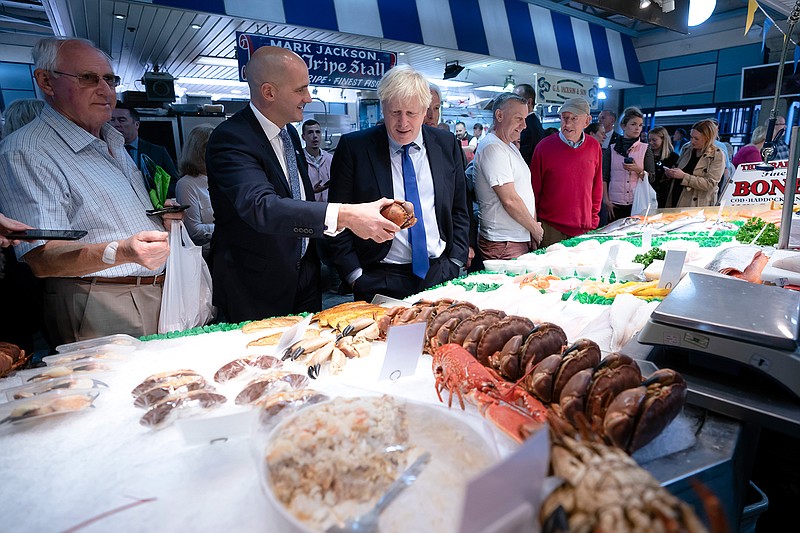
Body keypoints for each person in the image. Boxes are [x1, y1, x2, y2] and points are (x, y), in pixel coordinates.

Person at [0, 37, 182, 345]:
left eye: (110, 80)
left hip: (158, 290)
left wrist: (161, 216)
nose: (105, 90)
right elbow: (42, 257)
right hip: (102, 302)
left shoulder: (111, 140)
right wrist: (121, 251)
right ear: (46, 81)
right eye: (88, 78)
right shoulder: (28, 150)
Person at [205, 46, 397, 322]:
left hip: (305, 275)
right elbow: (262, 206)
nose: (308, 98)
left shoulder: (290, 135)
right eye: (300, 90)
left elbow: (299, 198)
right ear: (269, 92)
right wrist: (346, 215)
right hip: (256, 287)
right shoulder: (231, 138)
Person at [327, 64, 470, 303]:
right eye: (395, 112)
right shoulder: (355, 149)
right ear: (383, 107)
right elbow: (337, 215)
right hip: (379, 276)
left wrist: (455, 260)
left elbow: (459, 208)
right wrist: (355, 275)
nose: (402, 123)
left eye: (411, 113)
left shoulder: (446, 145)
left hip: (440, 274)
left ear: (426, 111)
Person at [474, 93, 543, 259]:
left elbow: (524, 191)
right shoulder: (492, 147)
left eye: (525, 118)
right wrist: (535, 229)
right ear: (499, 115)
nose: (524, 125)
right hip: (503, 243)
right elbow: (510, 200)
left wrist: (531, 229)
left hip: (515, 239)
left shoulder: (509, 146)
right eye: (519, 118)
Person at [530, 97, 602, 247]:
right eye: (564, 118)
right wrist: (534, 225)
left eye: (574, 119)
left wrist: (593, 221)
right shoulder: (544, 147)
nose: (567, 124)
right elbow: (533, 190)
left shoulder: (594, 146)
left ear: (587, 121)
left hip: (584, 229)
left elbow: (597, 187)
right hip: (550, 228)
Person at [110, 102, 180, 198]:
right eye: (112, 120)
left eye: (122, 120)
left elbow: (174, 182)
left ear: (137, 124)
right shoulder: (106, 151)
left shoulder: (157, 151)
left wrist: (157, 197)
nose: (116, 124)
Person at [602, 106, 656, 220]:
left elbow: (652, 178)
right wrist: (606, 200)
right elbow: (604, 177)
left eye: (640, 125)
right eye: (633, 124)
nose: (637, 128)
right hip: (614, 202)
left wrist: (637, 169)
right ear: (623, 126)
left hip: (637, 202)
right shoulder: (611, 149)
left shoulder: (646, 149)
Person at [664, 119, 726, 208]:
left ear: (707, 138)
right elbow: (679, 167)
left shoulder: (717, 155)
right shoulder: (687, 148)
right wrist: (671, 173)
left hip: (698, 204)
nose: (692, 141)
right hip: (676, 197)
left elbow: (710, 184)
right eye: (691, 137)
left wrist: (684, 176)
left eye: (696, 138)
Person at [175, 124, 215, 252]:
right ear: (201, 151)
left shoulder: (221, 178)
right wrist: (231, 227)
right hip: (207, 253)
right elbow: (195, 231)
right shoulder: (186, 184)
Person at [648, 126, 680, 208]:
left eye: (654, 140)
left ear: (663, 139)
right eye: (649, 140)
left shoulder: (673, 157)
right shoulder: (646, 155)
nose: (651, 143)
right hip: (648, 193)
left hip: (665, 194)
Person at [513, 83, 545, 165]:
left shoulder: (528, 127)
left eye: (516, 99)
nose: (512, 102)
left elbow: (523, 158)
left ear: (529, 102)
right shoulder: (533, 122)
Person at [301, 119, 333, 202]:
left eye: (318, 132)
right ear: (303, 137)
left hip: (328, 207)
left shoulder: (330, 159)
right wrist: (311, 191)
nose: (315, 136)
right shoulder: (299, 160)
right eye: (310, 132)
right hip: (308, 208)